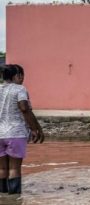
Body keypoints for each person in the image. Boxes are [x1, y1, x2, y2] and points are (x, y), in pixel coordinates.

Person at [0, 64, 44, 194]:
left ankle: (3, 198)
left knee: (1, 168)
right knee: (14, 168)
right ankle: (14, 200)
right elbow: (24, 108)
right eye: (21, 75)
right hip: (15, 132)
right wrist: (35, 129)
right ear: (16, 76)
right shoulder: (19, 89)